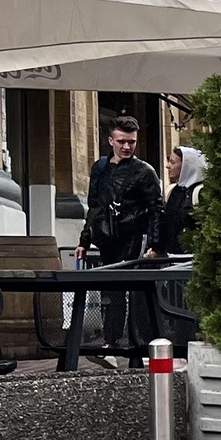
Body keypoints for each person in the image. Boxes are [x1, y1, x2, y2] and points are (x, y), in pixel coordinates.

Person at [79, 116, 162, 355]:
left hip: (134, 236)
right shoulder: (100, 168)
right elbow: (93, 205)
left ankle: (134, 344)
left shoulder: (144, 172)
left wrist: (155, 245)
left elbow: (157, 208)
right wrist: (84, 240)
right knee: (111, 289)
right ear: (111, 141)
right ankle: (112, 342)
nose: (127, 147)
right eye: (122, 141)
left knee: (132, 291)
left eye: (132, 142)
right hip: (107, 236)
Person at [154, 145, 205, 257]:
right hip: (170, 258)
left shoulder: (200, 192)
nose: (168, 166)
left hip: (191, 258)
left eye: (172, 162)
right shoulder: (171, 191)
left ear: (187, 166)